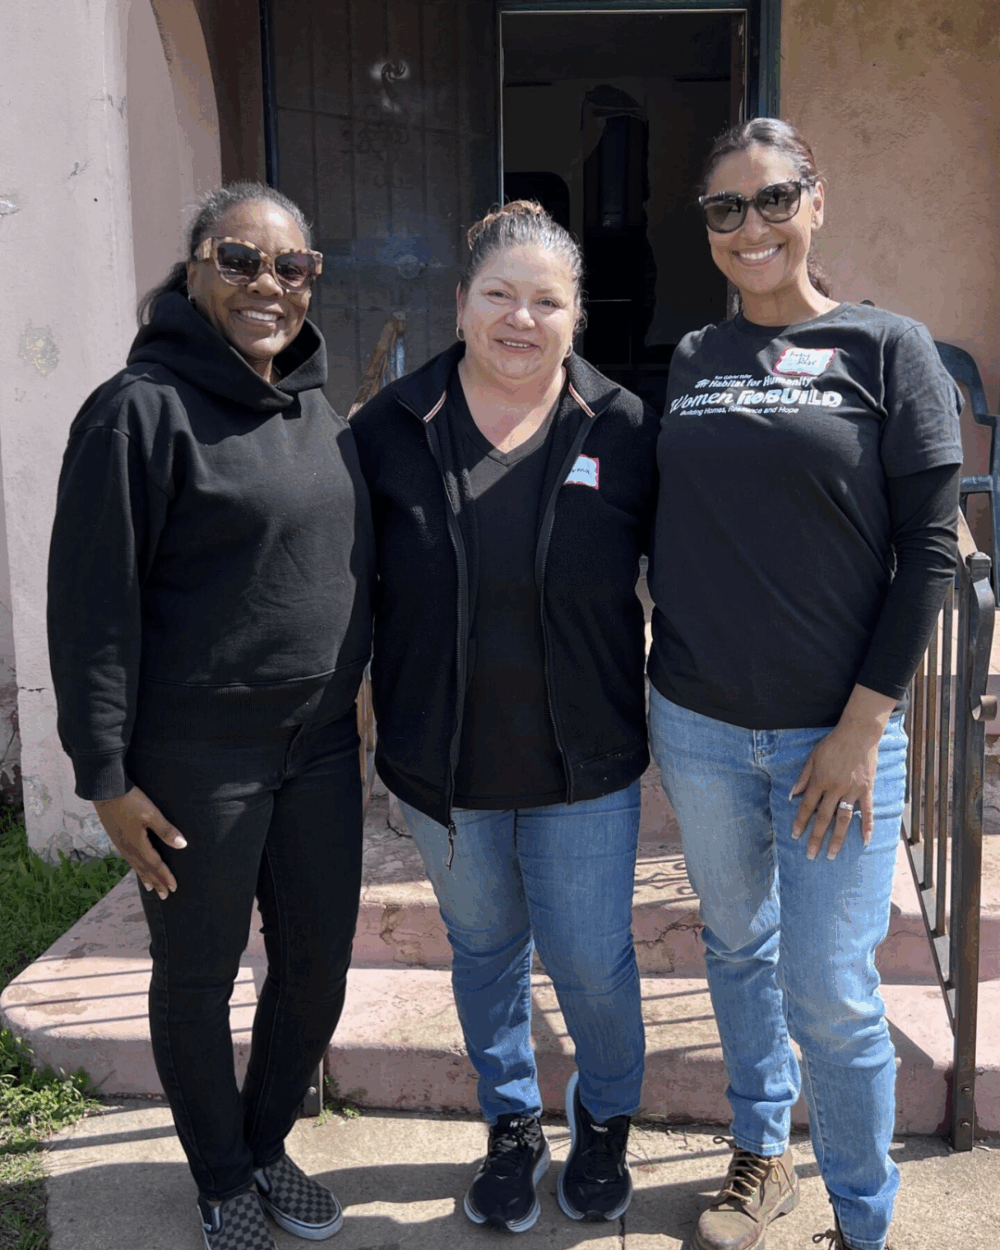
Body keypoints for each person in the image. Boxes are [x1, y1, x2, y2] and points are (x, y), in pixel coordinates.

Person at [647, 118, 963, 1250]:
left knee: (829, 986)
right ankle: (759, 1154)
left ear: (815, 202)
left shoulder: (888, 348)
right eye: (725, 209)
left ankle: (864, 1221)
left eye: (772, 198)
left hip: (834, 734)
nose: (751, 227)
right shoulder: (690, 359)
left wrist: (857, 727)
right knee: (736, 944)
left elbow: (930, 547)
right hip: (695, 719)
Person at [47, 183, 375, 1250]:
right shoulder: (135, 410)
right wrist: (104, 772)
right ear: (193, 268)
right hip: (197, 757)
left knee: (317, 961)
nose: (266, 285)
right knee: (199, 971)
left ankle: (267, 1138)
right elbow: (92, 605)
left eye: (292, 267)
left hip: (318, 748)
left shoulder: (317, 407)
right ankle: (219, 1170)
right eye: (240, 259)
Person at [350, 201, 659, 1232]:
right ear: (461, 302)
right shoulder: (392, 426)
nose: (519, 318)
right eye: (499, 294)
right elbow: (347, 587)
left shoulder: (620, 424)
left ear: (576, 315)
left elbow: (695, 570)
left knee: (590, 958)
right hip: (444, 763)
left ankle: (605, 1117)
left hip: (586, 762)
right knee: (483, 951)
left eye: (546, 300)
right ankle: (513, 1123)